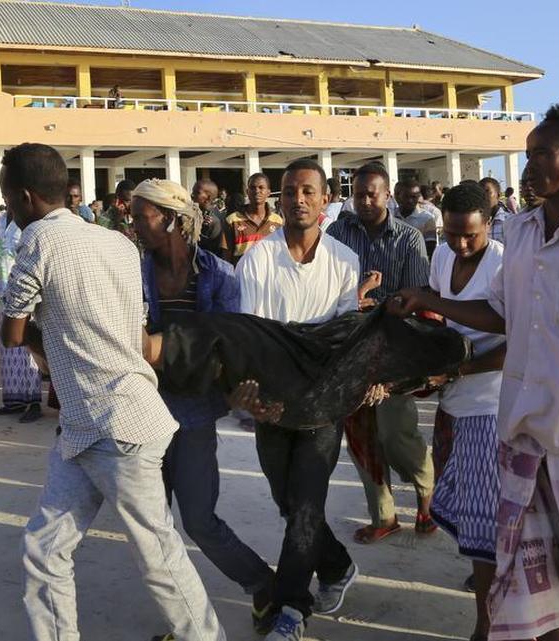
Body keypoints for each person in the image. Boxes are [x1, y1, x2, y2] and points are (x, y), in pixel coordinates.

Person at [390, 103, 559, 641]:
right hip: (520, 430)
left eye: (542, 154)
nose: (528, 166)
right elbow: (499, 313)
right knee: (532, 575)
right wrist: (428, 299)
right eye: (526, 155)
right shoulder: (520, 231)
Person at [0, 143, 224, 641]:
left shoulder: (37, 240)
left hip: (115, 427)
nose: (8, 210)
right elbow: (137, 336)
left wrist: (45, 339)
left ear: (26, 197)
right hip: (91, 423)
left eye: (7, 199)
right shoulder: (119, 244)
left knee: (158, 554)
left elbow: (12, 334)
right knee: (45, 546)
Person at [132, 178, 276, 636]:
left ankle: (263, 584)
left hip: (193, 416)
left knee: (198, 520)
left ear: (172, 219)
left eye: (143, 216)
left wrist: (236, 393)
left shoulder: (217, 275)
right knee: (156, 529)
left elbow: (231, 347)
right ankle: (187, 619)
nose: (134, 224)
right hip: (143, 413)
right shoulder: (131, 271)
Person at [234, 158, 360, 640]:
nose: (298, 199)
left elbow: (344, 339)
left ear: (326, 199)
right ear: (278, 199)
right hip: (272, 406)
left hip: (323, 408)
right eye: (290, 192)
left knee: (306, 505)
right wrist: (256, 399)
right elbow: (253, 338)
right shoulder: (259, 260)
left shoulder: (344, 263)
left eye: (308, 191)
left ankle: (291, 608)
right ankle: (337, 565)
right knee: (290, 504)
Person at [327, 163, 436, 544]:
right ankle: (383, 515)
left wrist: (375, 303)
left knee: (396, 433)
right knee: (360, 437)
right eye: (359, 194)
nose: (365, 200)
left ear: (387, 194)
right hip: (350, 350)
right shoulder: (337, 232)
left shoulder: (409, 239)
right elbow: (329, 291)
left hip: (394, 350)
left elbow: (417, 299)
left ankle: (427, 495)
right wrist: (356, 297)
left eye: (373, 193)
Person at [427, 182, 506, 641]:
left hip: (491, 404)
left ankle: (487, 625)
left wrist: (462, 369)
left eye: (469, 236)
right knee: (462, 510)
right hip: (453, 402)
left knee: (484, 523)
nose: (459, 244)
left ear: (488, 226)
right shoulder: (442, 256)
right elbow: (443, 321)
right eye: (451, 234)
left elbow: (518, 341)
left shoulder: (502, 264)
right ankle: (489, 592)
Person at [0, 204, 45, 423]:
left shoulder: (29, 221)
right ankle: (13, 400)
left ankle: (33, 401)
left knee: (28, 348)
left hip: (22, 294)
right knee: (7, 350)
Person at [221, 172, 283, 265]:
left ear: (268, 192)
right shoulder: (232, 221)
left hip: (270, 277)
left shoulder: (277, 221)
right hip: (242, 278)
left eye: (261, 187)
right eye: (252, 188)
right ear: (247, 192)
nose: (257, 191)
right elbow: (226, 257)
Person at [191, 178, 225, 252]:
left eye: (197, 192)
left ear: (208, 197)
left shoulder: (214, 220)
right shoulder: (199, 213)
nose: (192, 195)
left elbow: (212, 249)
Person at [479, 177, 511, 244]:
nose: (483, 196)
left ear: (498, 195)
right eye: (480, 193)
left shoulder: (510, 221)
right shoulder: (475, 222)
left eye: (487, 192)